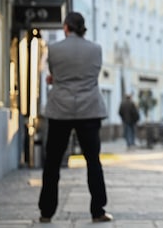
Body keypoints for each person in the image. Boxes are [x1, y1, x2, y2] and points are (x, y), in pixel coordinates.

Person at [38, 12, 113, 223]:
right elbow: (90, 75)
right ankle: (98, 209)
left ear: (66, 27)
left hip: (60, 109)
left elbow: (56, 75)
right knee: (93, 161)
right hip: (89, 109)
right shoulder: (95, 50)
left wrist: (57, 79)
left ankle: (46, 211)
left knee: (52, 161)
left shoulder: (54, 50)